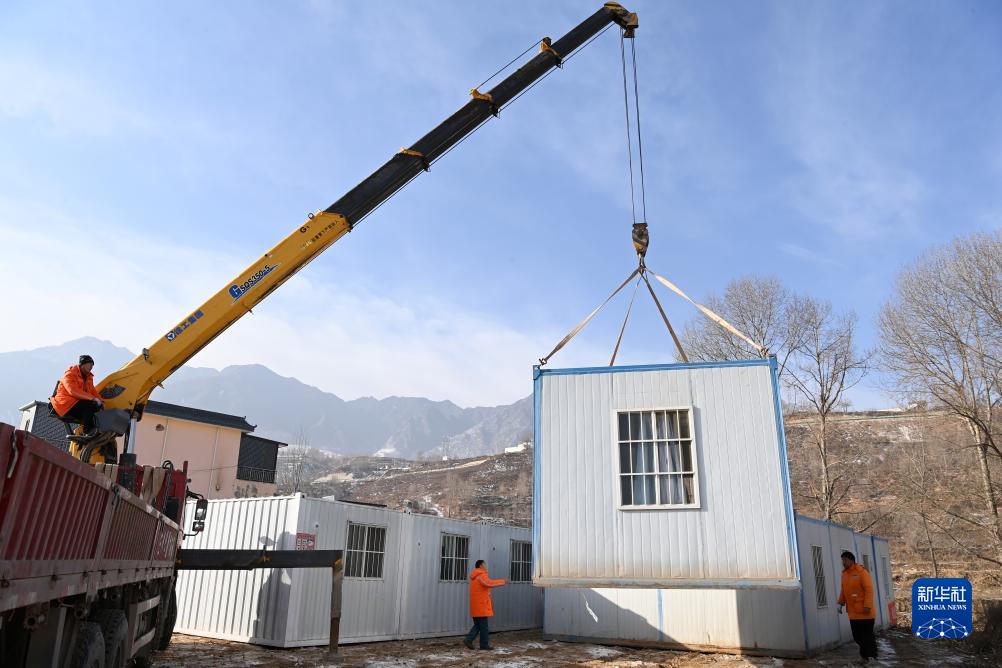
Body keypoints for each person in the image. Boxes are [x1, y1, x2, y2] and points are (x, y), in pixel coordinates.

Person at [838, 550, 878, 663]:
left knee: (867, 637)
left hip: (865, 613)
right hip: (853, 614)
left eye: (845, 560)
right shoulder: (844, 574)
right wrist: (840, 603)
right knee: (858, 637)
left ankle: (872, 657)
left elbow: (869, 589)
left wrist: (868, 605)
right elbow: (843, 591)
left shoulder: (861, 572)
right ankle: (864, 657)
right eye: (842, 560)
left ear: (851, 560)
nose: (843, 562)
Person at [50, 355, 104, 434]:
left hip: (75, 403)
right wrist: (93, 398)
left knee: (96, 407)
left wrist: (101, 401)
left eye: (92, 365)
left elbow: (93, 391)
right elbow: (72, 390)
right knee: (89, 404)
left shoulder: (88, 377)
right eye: (90, 364)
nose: (92, 367)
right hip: (64, 404)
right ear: (83, 364)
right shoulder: (70, 374)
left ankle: (94, 430)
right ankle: (88, 431)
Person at [463, 559, 506, 650]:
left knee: (478, 626)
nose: (486, 566)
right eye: (485, 564)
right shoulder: (481, 575)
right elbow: (489, 583)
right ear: (481, 565)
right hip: (481, 606)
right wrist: (503, 581)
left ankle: (469, 640)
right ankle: (483, 645)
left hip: (476, 605)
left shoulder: (474, 576)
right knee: (484, 627)